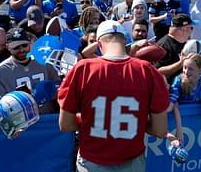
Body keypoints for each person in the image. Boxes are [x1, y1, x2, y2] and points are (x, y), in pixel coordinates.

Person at [58, 20, 169, 171]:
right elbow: (160, 130)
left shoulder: (82, 69)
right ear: (125, 40)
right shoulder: (147, 71)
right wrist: (134, 120)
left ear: (99, 43)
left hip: (92, 163)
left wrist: (94, 119)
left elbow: (66, 125)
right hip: (132, 162)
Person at [0, 28, 60, 112]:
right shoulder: (0, 71)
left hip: (47, 116)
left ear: (30, 44)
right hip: (20, 120)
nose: (21, 50)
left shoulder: (45, 62)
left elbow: (59, 88)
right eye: (16, 47)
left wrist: (47, 94)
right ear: (8, 47)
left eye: (24, 45)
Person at [169, 53, 201, 141]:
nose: (186, 72)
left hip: (198, 131)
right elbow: (172, 104)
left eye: (190, 69)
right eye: (184, 67)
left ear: (200, 70)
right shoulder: (178, 81)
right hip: (175, 127)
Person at [155, 14, 194, 84]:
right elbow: (158, 71)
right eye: (191, 28)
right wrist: (180, 64)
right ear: (184, 29)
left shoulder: (183, 43)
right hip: (168, 90)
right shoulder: (163, 46)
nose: (192, 32)